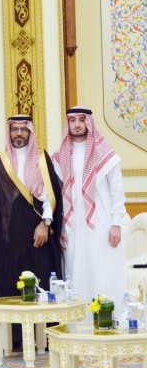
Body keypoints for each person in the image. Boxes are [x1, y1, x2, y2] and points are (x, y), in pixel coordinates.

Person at [0, 117, 62, 331]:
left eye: (23, 130)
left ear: (30, 133)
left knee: (41, 281)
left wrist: (45, 224)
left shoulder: (42, 159)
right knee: (8, 282)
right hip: (7, 238)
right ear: (9, 133)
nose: (19, 134)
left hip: (37, 232)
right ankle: (12, 335)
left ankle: (44, 333)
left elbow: (51, 195)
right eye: (15, 130)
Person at [52, 107, 126, 303]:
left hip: (102, 222)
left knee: (103, 268)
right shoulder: (60, 157)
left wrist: (116, 223)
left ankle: (107, 316)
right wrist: (60, 226)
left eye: (81, 120)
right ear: (67, 124)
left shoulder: (105, 153)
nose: (77, 124)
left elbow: (117, 190)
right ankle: (78, 321)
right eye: (73, 120)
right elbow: (57, 195)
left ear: (89, 123)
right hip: (72, 225)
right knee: (76, 270)